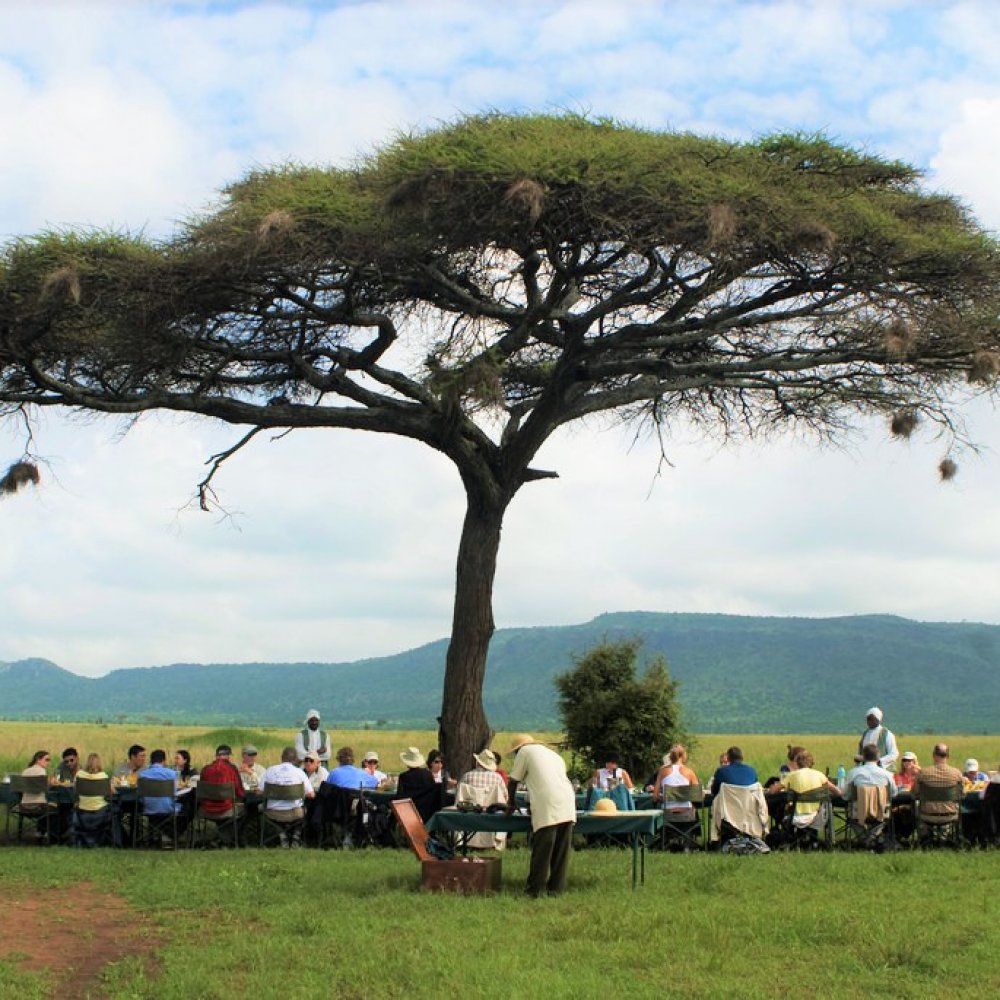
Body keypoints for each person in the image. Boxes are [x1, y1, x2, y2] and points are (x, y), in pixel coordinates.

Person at [505, 733, 576, 898]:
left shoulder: (524, 752)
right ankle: (556, 890)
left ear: (518, 749)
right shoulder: (552, 754)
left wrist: (511, 803)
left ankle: (534, 891)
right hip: (567, 800)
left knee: (543, 849)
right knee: (561, 850)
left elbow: (513, 780)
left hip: (548, 803)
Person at [261, 746, 314, 848]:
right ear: (295, 759)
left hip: (273, 812)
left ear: (281, 757)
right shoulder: (299, 772)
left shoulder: (270, 770)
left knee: (263, 809)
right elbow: (311, 794)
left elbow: (259, 791)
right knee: (306, 810)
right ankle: (296, 836)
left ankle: (282, 835)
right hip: (295, 813)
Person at [198, 744, 246, 841]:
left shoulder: (205, 769)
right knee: (247, 809)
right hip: (226, 810)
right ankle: (229, 838)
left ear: (216, 756)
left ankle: (221, 837)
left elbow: (201, 791)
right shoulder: (231, 769)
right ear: (228, 756)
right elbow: (239, 792)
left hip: (206, 810)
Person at [915, 743, 963, 837]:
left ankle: (925, 836)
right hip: (950, 814)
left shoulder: (923, 773)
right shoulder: (956, 774)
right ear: (948, 756)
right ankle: (947, 835)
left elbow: (914, 793)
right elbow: (962, 794)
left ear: (934, 755)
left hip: (927, 814)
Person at [653, 744, 700, 827]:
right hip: (686, 815)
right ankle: (692, 837)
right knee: (694, 808)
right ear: (683, 756)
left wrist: (666, 796)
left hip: (667, 815)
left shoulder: (662, 772)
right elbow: (697, 795)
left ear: (670, 757)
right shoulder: (689, 772)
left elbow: (654, 797)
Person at [396, 746, 442, 823]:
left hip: (410, 815)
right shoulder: (428, 774)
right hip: (427, 814)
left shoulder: (404, 777)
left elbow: (400, 798)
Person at [856, 706, 898, 772]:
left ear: (878, 719)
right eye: (868, 719)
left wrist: (879, 761)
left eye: (872, 719)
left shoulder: (887, 734)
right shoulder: (865, 734)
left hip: (883, 771)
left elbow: (894, 754)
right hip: (866, 770)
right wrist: (858, 758)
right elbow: (861, 752)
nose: (869, 722)